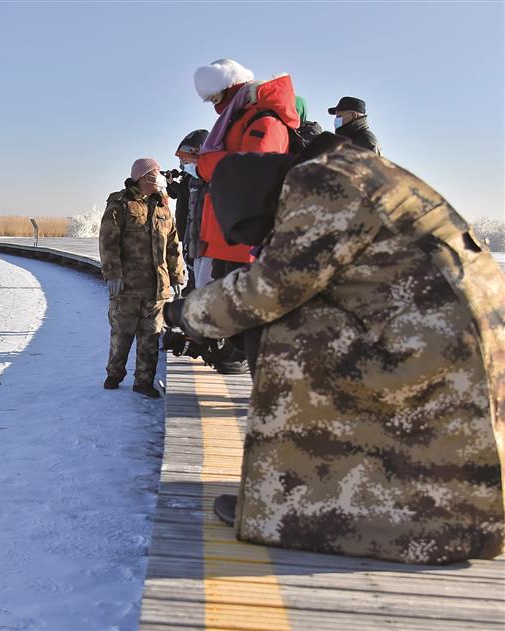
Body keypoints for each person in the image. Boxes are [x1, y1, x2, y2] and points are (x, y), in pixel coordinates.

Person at [164, 133, 505, 564]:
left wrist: (185, 314)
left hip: (434, 347)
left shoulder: (316, 182)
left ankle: (292, 510)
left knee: (291, 330)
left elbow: (269, 288)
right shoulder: (353, 167)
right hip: (468, 344)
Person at [192, 58, 301, 374]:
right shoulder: (236, 119)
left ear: (232, 88)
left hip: (246, 241)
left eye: (216, 98)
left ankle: (264, 398)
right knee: (240, 324)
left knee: (253, 327)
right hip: (228, 238)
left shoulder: (263, 120)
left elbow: (255, 170)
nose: (215, 107)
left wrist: (209, 162)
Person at [99, 158, 185, 398]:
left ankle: (144, 381)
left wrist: (177, 275)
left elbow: (173, 245)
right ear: (142, 176)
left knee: (151, 334)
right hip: (127, 285)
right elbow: (108, 242)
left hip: (157, 286)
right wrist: (113, 274)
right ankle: (115, 374)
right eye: (156, 173)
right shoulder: (121, 203)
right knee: (122, 332)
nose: (160, 177)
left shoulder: (163, 206)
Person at [165, 129, 210, 292]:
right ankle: (191, 283)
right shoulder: (192, 181)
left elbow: (182, 192)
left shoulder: (212, 180)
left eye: (187, 159)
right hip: (189, 228)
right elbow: (174, 194)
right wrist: (171, 182)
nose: (184, 164)